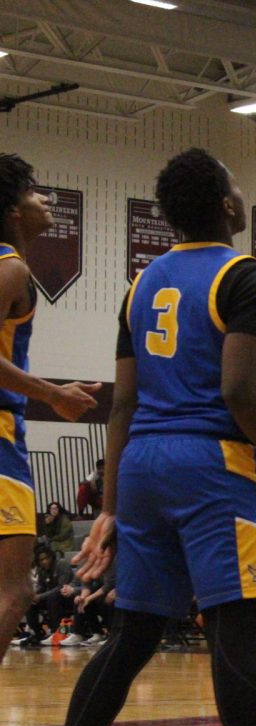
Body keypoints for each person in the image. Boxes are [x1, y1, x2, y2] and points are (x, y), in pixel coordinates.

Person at [37, 147, 256, 726]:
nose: (241, 188)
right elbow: (241, 392)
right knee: (234, 637)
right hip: (211, 466)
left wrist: (108, 505)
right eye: (235, 181)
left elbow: (124, 402)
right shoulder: (246, 276)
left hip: (141, 465)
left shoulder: (140, 285)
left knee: (131, 635)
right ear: (225, 204)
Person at [0, 154, 100, 663]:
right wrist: (52, 394)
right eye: (34, 192)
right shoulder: (10, 267)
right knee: (14, 594)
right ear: (14, 210)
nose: (45, 199)